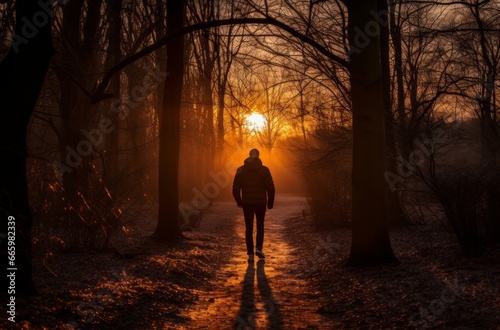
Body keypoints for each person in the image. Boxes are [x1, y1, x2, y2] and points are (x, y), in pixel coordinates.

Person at [232, 148, 275, 262]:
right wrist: (270, 203)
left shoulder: (241, 170)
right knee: (260, 226)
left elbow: (235, 188)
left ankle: (250, 253)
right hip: (260, 203)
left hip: (247, 204)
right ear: (258, 156)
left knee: (249, 228)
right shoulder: (265, 170)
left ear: (249, 156)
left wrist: (239, 202)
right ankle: (259, 249)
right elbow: (271, 188)